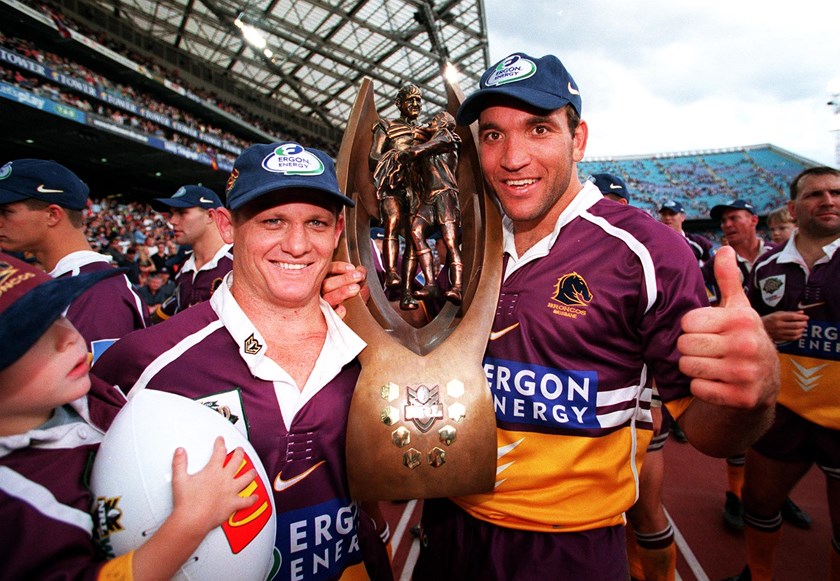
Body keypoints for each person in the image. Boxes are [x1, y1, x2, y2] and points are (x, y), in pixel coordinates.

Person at [410, 51, 779, 580]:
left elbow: (709, 433)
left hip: (567, 546)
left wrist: (754, 394)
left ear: (578, 140)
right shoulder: (461, 244)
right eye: (492, 135)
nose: (512, 157)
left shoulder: (647, 251)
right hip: (446, 520)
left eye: (538, 129)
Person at [94, 142, 391, 581]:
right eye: (272, 221)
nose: (297, 245)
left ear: (337, 231)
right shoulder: (148, 361)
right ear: (226, 225)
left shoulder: (371, 350)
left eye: (316, 222)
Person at [0, 251, 258, 579]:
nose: (67, 338)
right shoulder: (13, 501)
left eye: (58, 316)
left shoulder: (85, 390)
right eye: (30, 338)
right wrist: (190, 522)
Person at [726, 166, 840, 581]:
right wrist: (762, 327)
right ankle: (758, 575)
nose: (828, 201)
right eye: (815, 194)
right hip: (782, 410)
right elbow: (743, 325)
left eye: (836, 193)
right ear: (793, 207)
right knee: (758, 502)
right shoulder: (767, 266)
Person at [704, 199, 810, 531]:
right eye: (723, 221)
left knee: (777, 441)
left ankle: (779, 494)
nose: (727, 225)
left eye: (734, 218)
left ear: (753, 220)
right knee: (741, 427)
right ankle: (735, 493)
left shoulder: (781, 259)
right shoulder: (715, 264)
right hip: (737, 359)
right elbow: (706, 309)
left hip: (790, 365)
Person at [591, 172, 676, 580]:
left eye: (609, 203)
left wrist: (655, 402)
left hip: (635, 412)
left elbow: (663, 340)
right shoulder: (568, 249)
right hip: (583, 417)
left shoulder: (644, 252)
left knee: (645, 513)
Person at [0, 158, 148, 361]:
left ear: (52, 215)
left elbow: (94, 381)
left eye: (5, 212)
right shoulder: (75, 283)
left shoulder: (97, 294)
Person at [369, 83, 428, 310]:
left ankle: (407, 292)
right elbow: (374, 156)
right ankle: (391, 271)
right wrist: (396, 158)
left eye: (418, 100)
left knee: (414, 236)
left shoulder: (426, 132)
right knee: (392, 221)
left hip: (417, 190)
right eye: (410, 100)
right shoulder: (386, 126)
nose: (415, 104)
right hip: (393, 185)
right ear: (398, 103)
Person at [150, 184, 232, 321]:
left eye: (182, 213)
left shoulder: (241, 262)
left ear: (210, 216)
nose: (172, 221)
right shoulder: (184, 266)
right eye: (172, 214)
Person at [405, 110, 463, 302]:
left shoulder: (446, 136)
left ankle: (457, 286)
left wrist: (408, 147)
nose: (431, 122)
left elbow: (418, 151)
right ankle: (431, 284)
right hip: (429, 198)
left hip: (445, 196)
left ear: (443, 123)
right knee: (415, 231)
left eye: (435, 120)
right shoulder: (436, 140)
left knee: (450, 242)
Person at [658, 199, 714, 265]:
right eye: (664, 215)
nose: (667, 218)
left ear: (682, 217)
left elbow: (713, 264)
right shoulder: (655, 243)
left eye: (672, 214)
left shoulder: (699, 242)